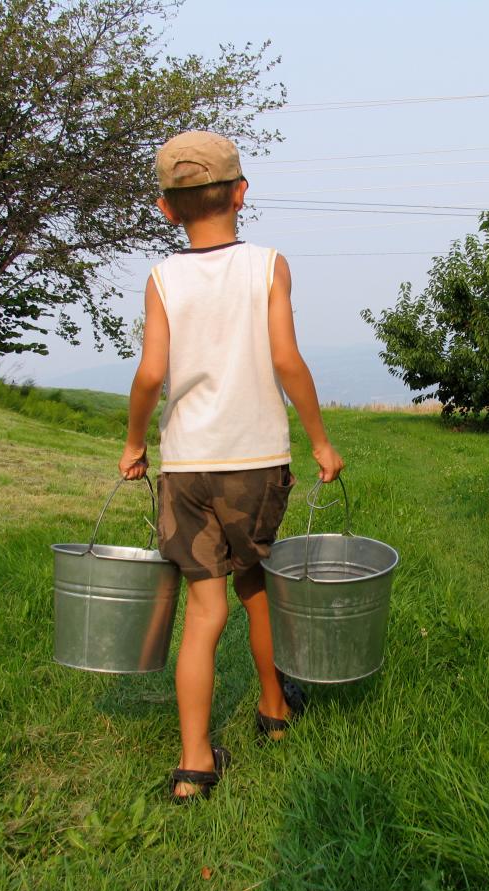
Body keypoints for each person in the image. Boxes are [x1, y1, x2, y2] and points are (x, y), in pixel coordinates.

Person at [118, 131, 345, 802]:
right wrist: (321, 442)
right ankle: (274, 712)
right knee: (257, 586)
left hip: (187, 468)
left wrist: (136, 446)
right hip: (256, 462)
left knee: (205, 609)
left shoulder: (162, 278)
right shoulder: (269, 265)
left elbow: (151, 373)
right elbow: (286, 361)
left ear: (166, 209)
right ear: (241, 192)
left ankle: (194, 766)